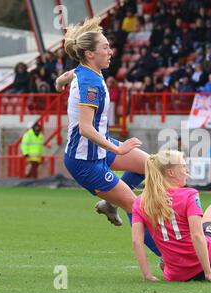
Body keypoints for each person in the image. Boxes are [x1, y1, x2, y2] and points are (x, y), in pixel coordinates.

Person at [54, 17, 160, 257]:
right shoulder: (91, 83)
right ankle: (173, 262)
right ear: (91, 54)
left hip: (100, 147)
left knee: (152, 166)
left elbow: (74, 72)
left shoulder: (87, 70)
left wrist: (61, 79)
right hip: (86, 161)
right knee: (135, 206)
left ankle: (109, 203)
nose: (110, 51)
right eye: (105, 47)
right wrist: (120, 150)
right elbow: (85, 129)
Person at [131, 150, 211, 282]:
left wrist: (147, 275)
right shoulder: (189, 195)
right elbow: (197, 236)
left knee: (169, 256)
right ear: (170, 172)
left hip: (176, 275)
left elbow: (137, 242)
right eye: (183, 166)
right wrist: (208, 274)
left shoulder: (140, 202)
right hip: (208, 262)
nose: (187, 171)